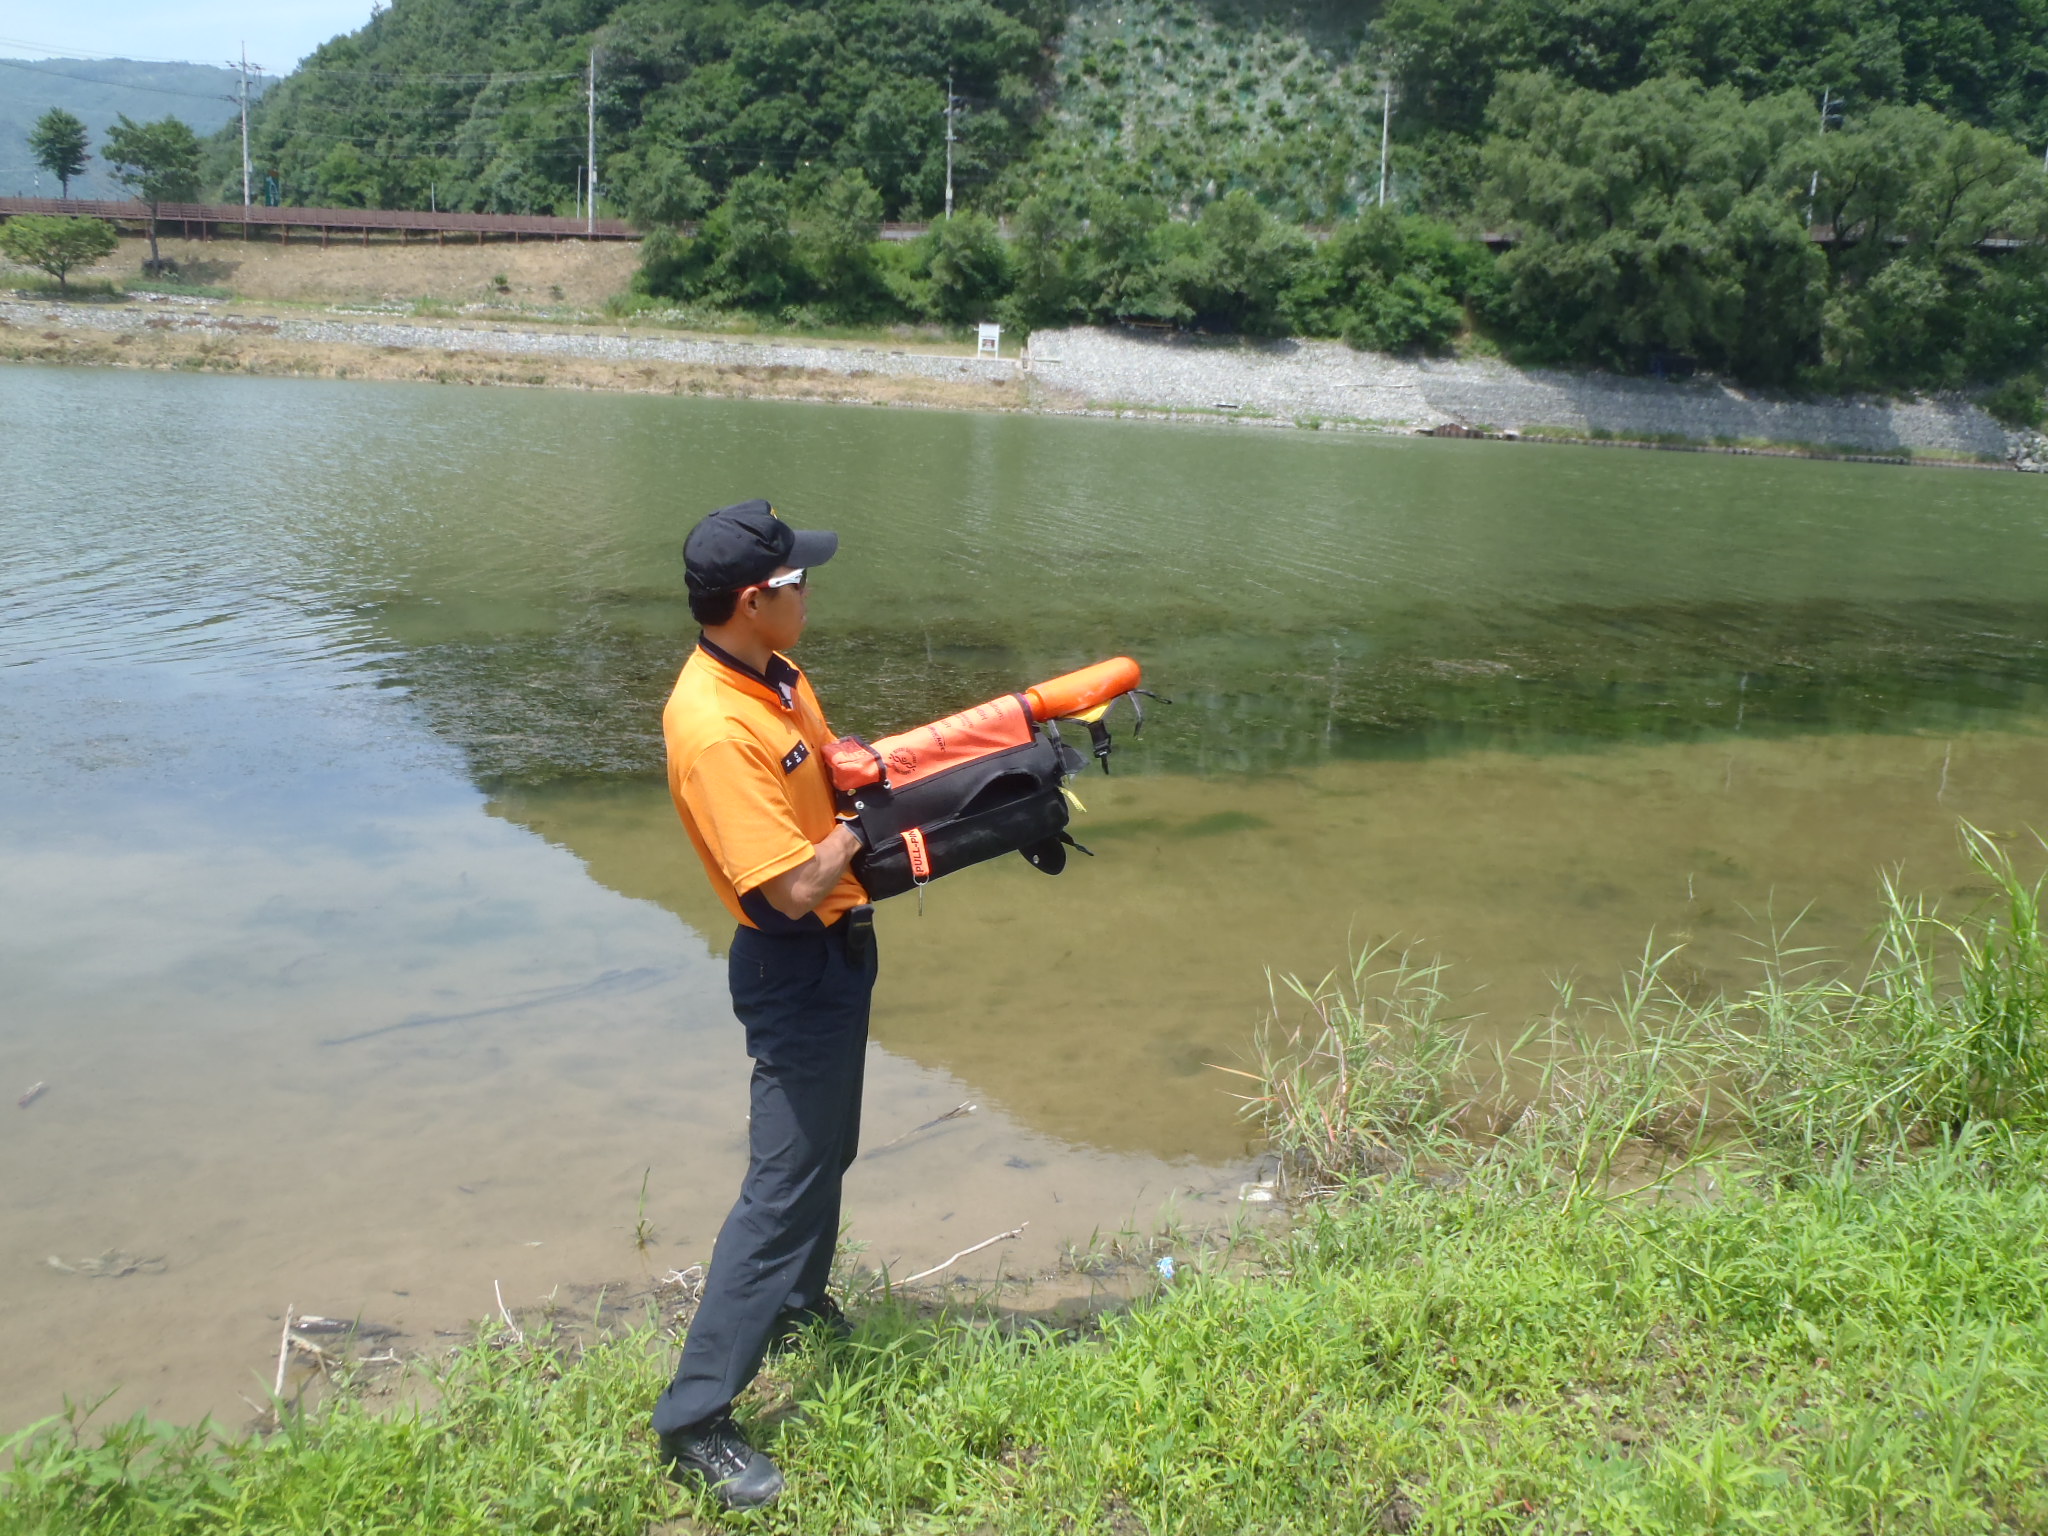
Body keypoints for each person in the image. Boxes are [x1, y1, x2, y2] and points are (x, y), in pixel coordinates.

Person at [650, 498, 875, 1509]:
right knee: (782, 1185)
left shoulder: (778, 675)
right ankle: (694, 1420)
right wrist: (861, 828)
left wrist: (864, 782)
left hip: (840, 949)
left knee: (830, 1149)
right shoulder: (713, 725)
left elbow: (820, 779)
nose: (810, 592)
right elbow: (788, 886)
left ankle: (794, 1300)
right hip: (792, 962)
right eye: (797, 580)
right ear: (752, 599)